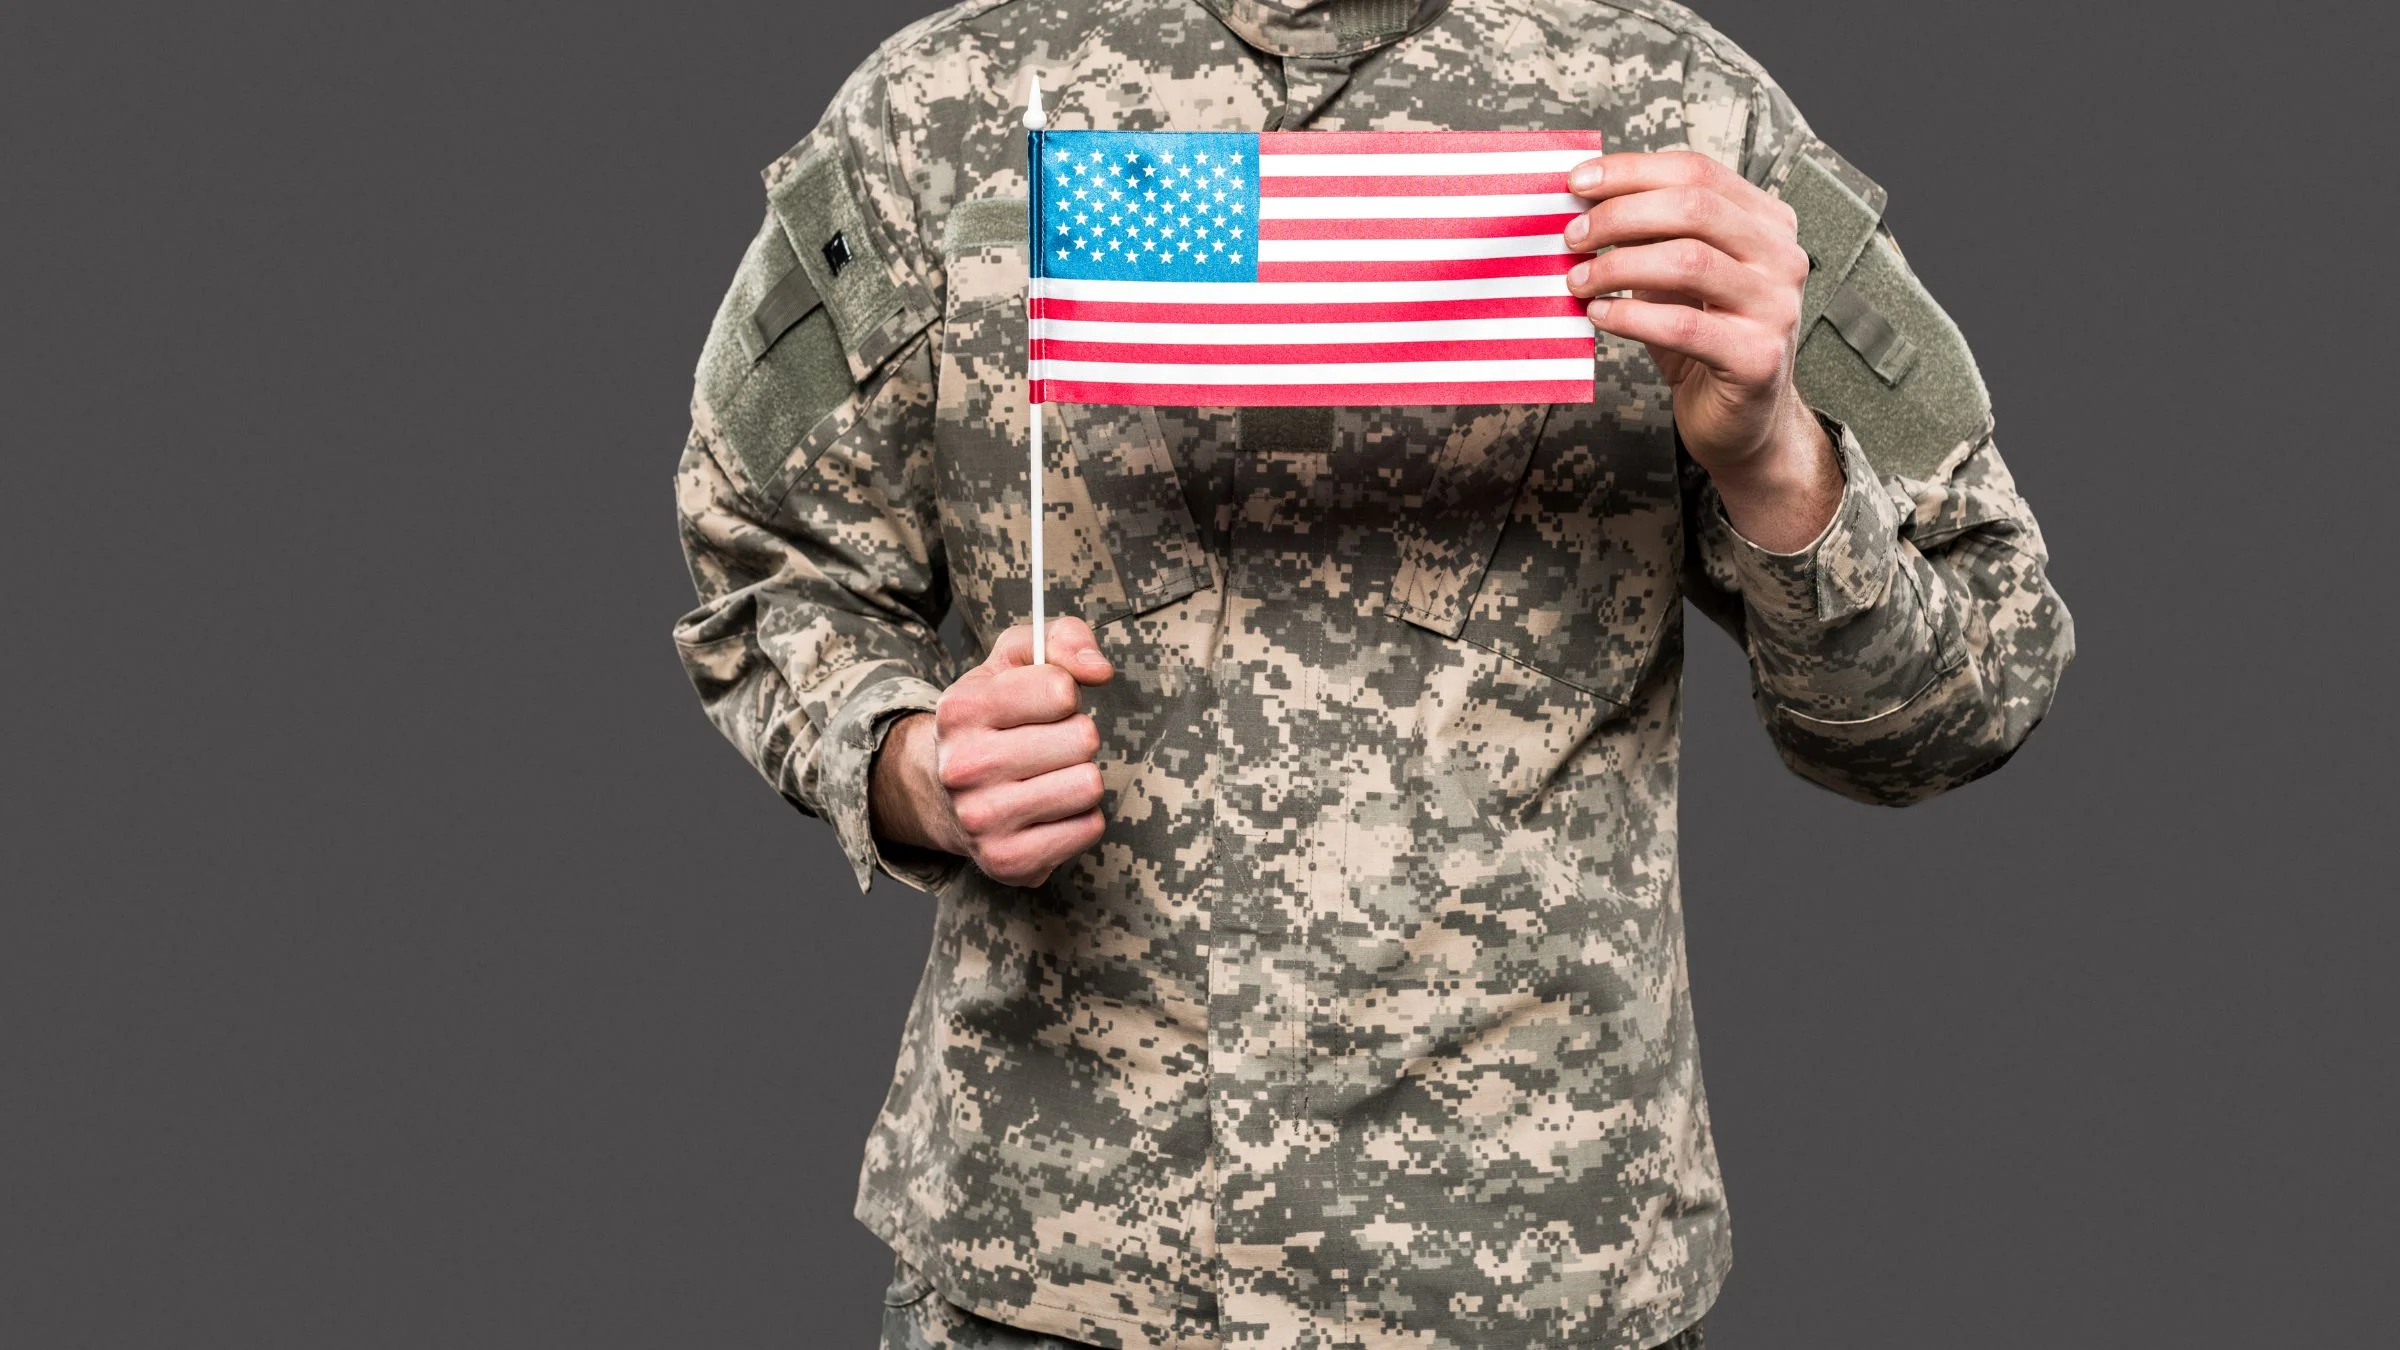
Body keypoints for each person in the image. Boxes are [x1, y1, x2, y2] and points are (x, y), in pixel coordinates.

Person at [670, 0, 2074, 1345]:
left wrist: (1776, 461)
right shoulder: (939, 117)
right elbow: (761, 563)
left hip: (1532, 1283)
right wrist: (912, 761)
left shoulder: (1685, 129)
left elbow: (1977, 678)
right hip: (1056, 1277)